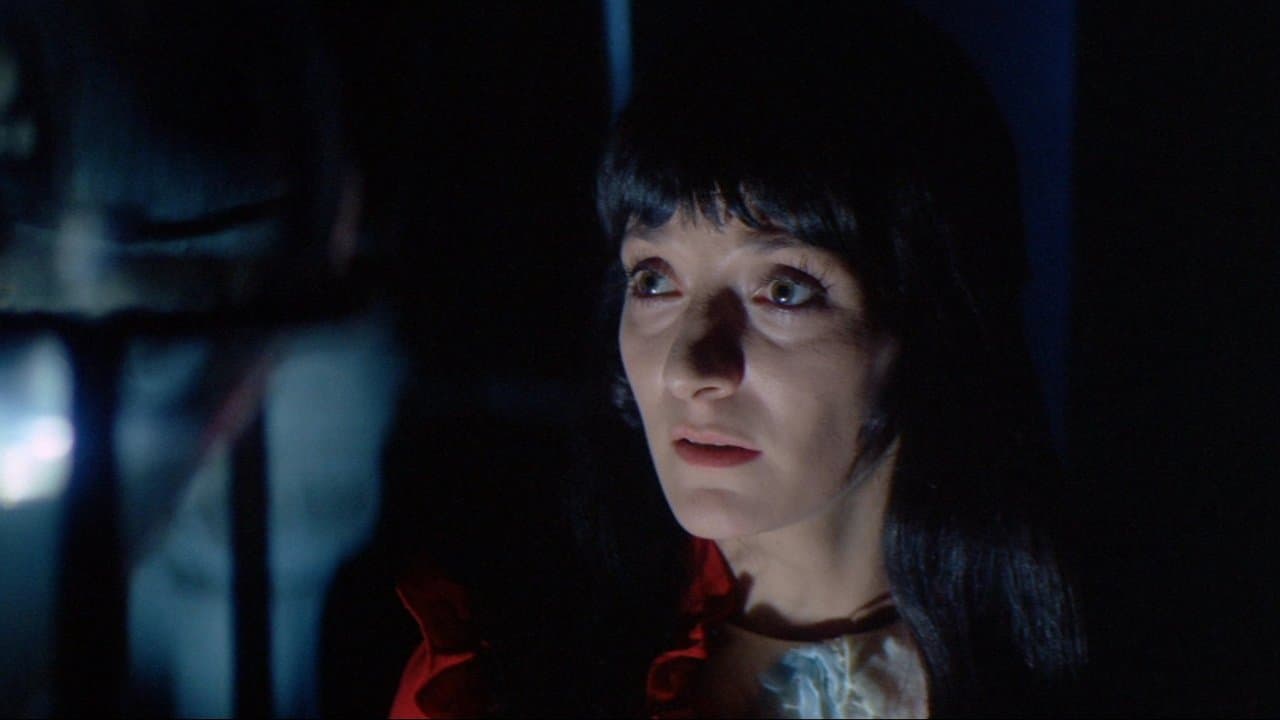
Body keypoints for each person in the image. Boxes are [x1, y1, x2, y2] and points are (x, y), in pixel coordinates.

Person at [391, 4, 1085, 717]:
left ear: (928, 320)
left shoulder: (1113, 660)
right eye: (653, 280)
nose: (690, 369)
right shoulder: (493, 686)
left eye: (783, 290)